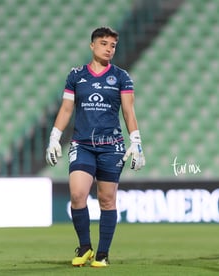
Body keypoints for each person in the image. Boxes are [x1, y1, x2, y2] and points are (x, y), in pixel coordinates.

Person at [45, 26, 145, 268]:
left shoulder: (122, 77)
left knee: (107, 200)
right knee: (78, 195)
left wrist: (136, 142)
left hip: (112, 146)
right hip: (83, 144)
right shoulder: (76, 76)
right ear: (92, 45)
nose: (109, 49)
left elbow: (128, 111)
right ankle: (85, 247)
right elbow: (67, 108)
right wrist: (54, 137)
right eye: (103, 43)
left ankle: (102, 253)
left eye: (112, 45)